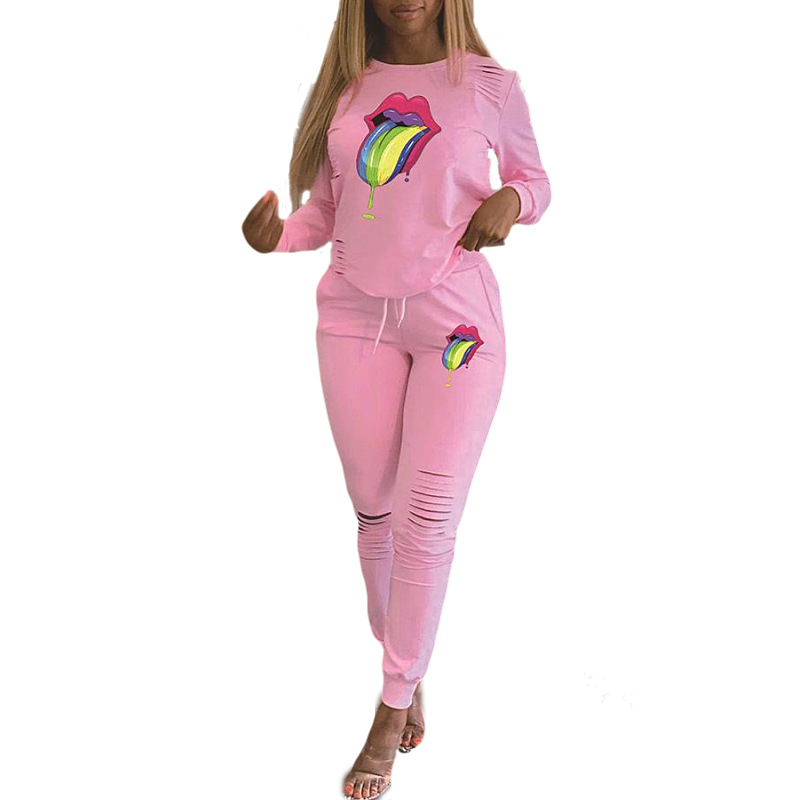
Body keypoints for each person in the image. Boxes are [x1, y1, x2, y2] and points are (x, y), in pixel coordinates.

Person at [242, 1, 551, 796]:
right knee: (374, 511)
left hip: (457, 328)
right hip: (353, 322)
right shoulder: (344, 88)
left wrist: (510, 203)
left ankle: (389, 704)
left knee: (428, 516)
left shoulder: (488, 84)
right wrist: (276, 236)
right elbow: (324, 213)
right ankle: (408, 669)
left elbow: (535, 181)